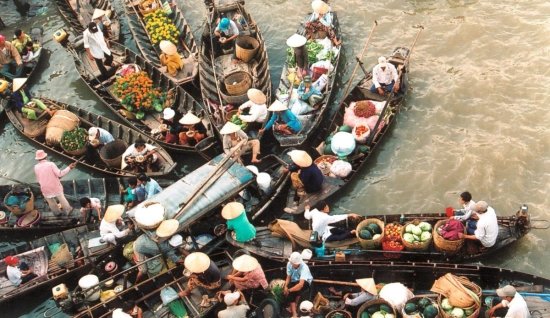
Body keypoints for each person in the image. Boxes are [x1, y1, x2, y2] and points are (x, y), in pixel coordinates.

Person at [34, 150, 76, 216]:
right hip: (55, 186)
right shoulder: (51, 164)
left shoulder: (36, 167)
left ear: (38, 159)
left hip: (44, 188)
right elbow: (59, 174)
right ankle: (68, 210)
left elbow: (39, 178)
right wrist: (69, 168)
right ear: (45, 156)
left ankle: (57, 213)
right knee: (62, 199)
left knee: (51, 202)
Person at [284, 252, 313, 318]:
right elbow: (288, 277)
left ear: (297, 263)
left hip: (305, 282)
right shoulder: (289, 263)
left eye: (293, 263)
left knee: (293, 291)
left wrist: (289, 290)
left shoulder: (304, 268)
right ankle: (295, 306)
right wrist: (285, 286)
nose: (291, 264)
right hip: (294, 279)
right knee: (291, 287)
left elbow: (300, 285)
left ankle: (294, 314)